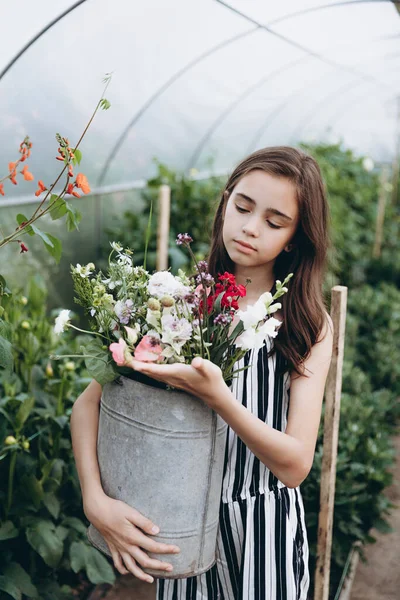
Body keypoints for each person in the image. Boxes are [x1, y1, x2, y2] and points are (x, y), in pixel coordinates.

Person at [71, 146, 334, 600]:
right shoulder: (180, 305)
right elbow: (87, 405)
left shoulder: (305, 324)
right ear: (226, 202)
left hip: (262, 535)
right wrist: (95, 501)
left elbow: (295, 465)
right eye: (243, 207)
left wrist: (219, 398)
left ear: (294, 237)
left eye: (274, 221)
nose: (250, 228)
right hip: (182, 526)